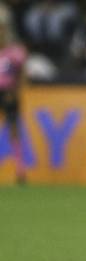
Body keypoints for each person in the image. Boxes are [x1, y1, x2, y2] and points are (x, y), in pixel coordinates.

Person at [0, 17, 27, 185]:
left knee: (14, 130)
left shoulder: (14, 53)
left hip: (8, 92)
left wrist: (16, 91)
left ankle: (20, 170)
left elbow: (21, 74)